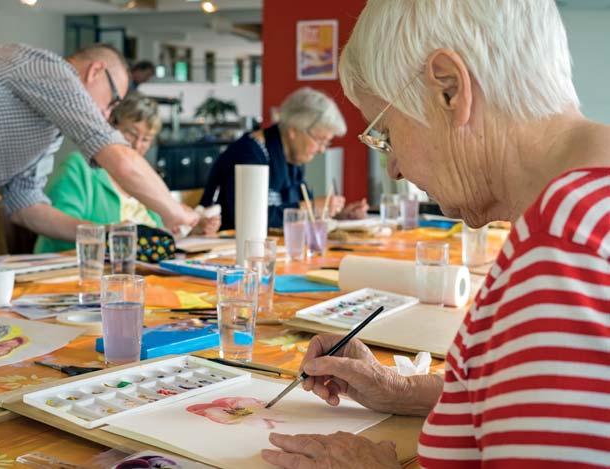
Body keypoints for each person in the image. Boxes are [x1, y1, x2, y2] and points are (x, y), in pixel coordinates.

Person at [261, 1, 609, 468]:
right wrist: (400, 390)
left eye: (385, 133)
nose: (395, 167)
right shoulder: (581, 215)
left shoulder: (564, 261)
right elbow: (526, 391)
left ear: (449, 89)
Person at [0, 43, 199, 239]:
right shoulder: (51, 69)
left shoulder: (47, 128)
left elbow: (26, 205)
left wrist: (104, 235)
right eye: (112, 102)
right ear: (95, 71)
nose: (106, 114)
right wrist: (175, 212)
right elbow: (122, 160)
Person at [34, 93, 221, 253]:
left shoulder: (143, 179)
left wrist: (192, 231)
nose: (137, 145)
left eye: (146, 139)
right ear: (110, 126)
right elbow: (56, 233)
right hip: (78, 273)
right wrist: (111, 233)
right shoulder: (79, 168)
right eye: (130, 134)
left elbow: (157, 233)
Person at [200, 87, 369, 230]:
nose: (322, 150)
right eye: (319, 140)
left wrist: (337, 213)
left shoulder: (292, 157)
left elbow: (295, 207)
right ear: (293, 130)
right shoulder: (248, 154)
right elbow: (249, 219)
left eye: (327, 142)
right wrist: (309, 208)